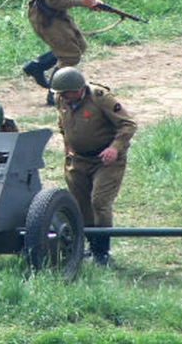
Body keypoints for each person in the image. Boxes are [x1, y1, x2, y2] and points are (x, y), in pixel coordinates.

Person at [51, 66, 137, 266]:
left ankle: (102, 252)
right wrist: (67, 146)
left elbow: (128, 124)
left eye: (67, 93)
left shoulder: (100, 97)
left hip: (106, 161)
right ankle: (90, 246)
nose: (64, 97)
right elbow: (63, 123)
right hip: (78, 160)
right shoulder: (61, 99)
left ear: (79, 88)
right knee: (81, 205)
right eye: (61, 93)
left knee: (99, 202)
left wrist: (115, 148)